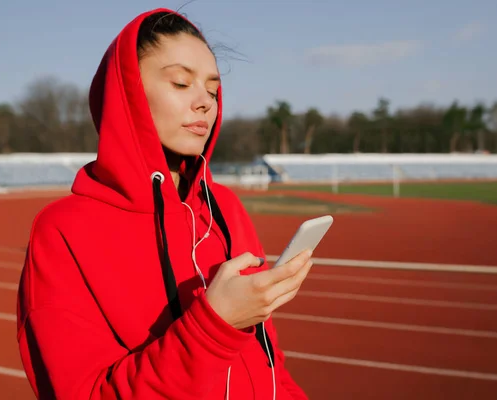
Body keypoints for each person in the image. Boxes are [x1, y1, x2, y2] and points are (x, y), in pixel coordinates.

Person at [16, 8, 313, 400]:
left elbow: (269, 362)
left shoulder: (224, 208)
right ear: (127, 92)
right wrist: (215, 325)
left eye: (212, 89)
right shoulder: (63, 230)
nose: (205, 102)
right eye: (180, 82)